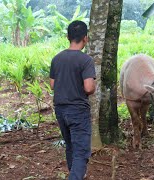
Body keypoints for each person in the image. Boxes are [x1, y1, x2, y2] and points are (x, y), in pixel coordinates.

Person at [49, 20, 96, 180]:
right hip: (78, 110)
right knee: (81, 151)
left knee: (70, 146)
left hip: (61, 110)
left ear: (68, 36)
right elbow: (89, 87)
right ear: (85, 38)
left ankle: (75, 174)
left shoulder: (57, 58)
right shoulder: (86, 60)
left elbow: (52, 84)